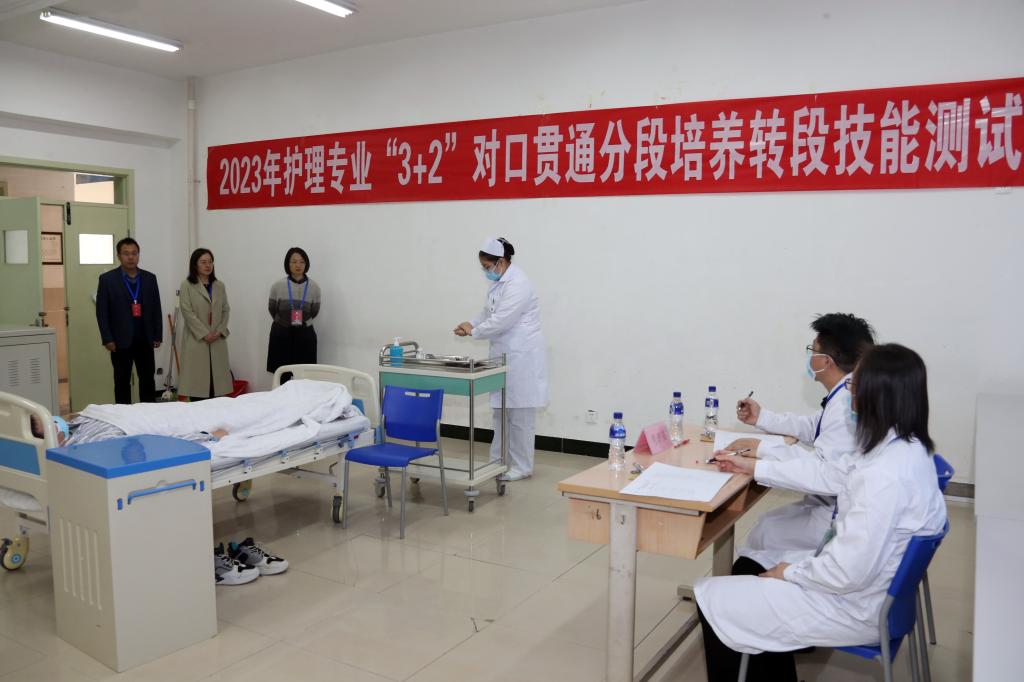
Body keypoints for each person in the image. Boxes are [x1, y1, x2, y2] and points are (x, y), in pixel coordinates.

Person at [695, 344, 947, 682]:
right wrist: (756, 464)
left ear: (875, 396)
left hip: (852, 605)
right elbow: (835, 472)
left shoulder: (884, 477)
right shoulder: (906, 450)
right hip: (872, 588)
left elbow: (845, 573)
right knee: (757, 565)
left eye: (854, 386)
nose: (849, 395)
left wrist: (790, 572)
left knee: (711, 597)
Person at [728, 313, 874, 571]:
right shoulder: (844, 393)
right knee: (765, 528)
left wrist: (761, 453)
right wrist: (761, 417)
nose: (810, 357)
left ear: (826, 361)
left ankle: (748, 581)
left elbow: (823, 471)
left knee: (765, 535)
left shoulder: (847, 402)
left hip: (838, 518)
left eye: (812, 350)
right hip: (834, 504)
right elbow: (813, 427)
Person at [453, 237, 548, 481]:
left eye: (487, 266)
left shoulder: (518, 284)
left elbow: (502, 320)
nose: (486, 271)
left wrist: (474, 331)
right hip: (505, 354)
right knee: (501, 412)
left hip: (522, 357)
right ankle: (498, 462)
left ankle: (522, 467)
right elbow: (488, 312)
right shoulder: (499, 283)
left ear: (501, 262)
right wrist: (470, 323)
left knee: (520, 416)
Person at [95, 237, 162, 404]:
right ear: (119, 256)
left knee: (147, 380)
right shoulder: (107, 279)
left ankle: (149, 414)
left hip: (145, 339)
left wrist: (157, 335)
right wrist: (107, 338)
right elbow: (102, 312)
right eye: (126, 254)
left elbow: (156, 308)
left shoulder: (149, 278)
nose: (130, 257)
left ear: (138, 255)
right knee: (121, 382)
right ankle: (122, 416)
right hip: (119, 341)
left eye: (134, 253)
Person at [178, 248, 232, 400]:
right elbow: (187, 311)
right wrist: (204, 334)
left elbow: (226, 310)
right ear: (195, 265)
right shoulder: (187, 285)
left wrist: (219, 330)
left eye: (210, 262)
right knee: (198, 387)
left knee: (218, 388)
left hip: (217, 340)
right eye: (203, 262)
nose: (208, 265)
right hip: (197, 341)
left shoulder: (219, 285)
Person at [266, 247, 321, 378]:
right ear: (288, 264)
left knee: (304, 377)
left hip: (305, 334)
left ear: (306, 264)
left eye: (302, 262)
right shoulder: (277, 286)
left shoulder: (314, 287)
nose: (298, 265)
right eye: (294, 262)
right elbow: (272, 308)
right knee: (281, 375)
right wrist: (283, 322)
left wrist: (303, 323)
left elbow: (314, 311)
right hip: (281, 334)